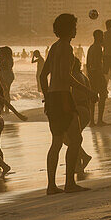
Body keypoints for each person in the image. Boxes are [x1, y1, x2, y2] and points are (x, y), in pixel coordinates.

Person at [40, 13, 99, 194]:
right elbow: (66, 76)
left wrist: (47, 96)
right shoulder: (66, 47)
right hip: (64, 97)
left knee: (57, 141)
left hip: (52, 97)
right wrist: (88, 91)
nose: (76, 29)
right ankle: (69, 183)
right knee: (76, 139)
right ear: (69, 29)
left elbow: (43, 76)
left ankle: (51, 185)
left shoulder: (54, 47)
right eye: (74, 26)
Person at [86, 30, 109, 126]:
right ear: (99, 37)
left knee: (93, 98)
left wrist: (89, 75)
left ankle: (92, 121)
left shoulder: (91, 47)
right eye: (102, 36)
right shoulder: (98, 48)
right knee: (103, 96)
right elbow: (98, 64)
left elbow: (88, 64)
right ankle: (99, 120)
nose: (103, 38)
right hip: (97, 75)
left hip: (91, 75)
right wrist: (102, 77)